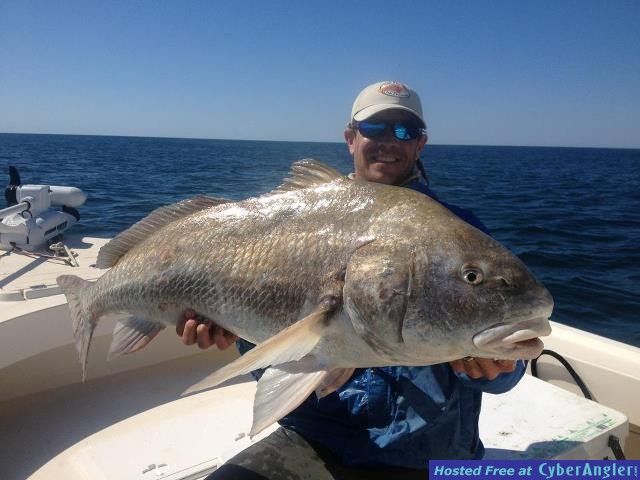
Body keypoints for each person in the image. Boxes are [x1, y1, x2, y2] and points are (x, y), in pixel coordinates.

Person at [176, 81, 525, 479]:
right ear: (350, 138)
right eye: (375, 128)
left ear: (420, 144)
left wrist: (500, 367)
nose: (389, 141)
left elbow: (508, 366)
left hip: (426, 454)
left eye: (404, 130)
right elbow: (281, 347)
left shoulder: (461, 234)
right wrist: (231, 329)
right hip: (316, 437)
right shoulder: (295, 222)